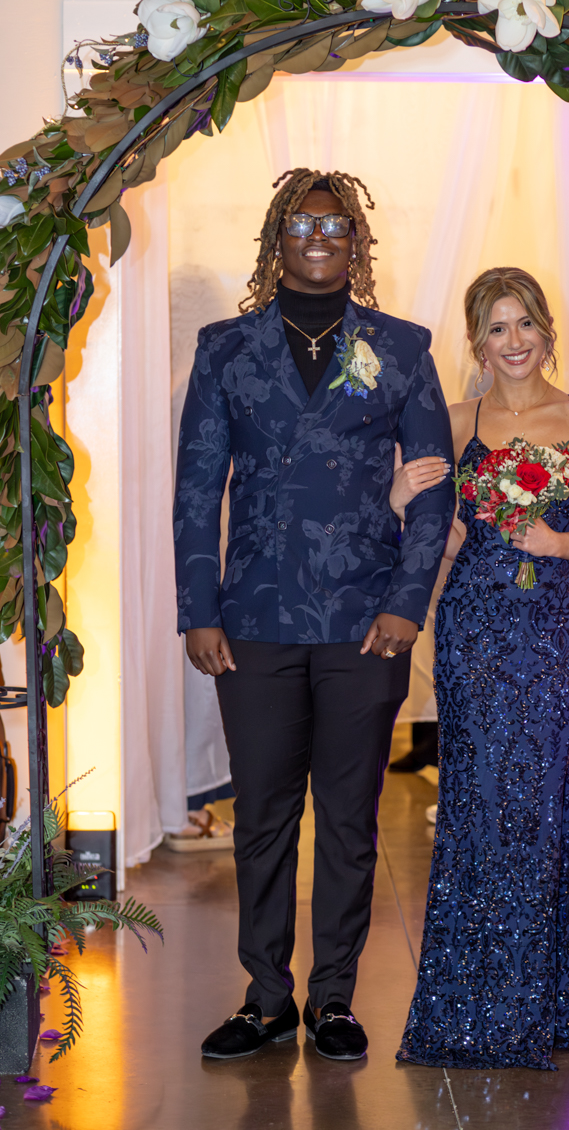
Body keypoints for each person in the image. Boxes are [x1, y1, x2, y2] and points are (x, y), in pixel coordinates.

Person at [172, 168, 454, 1062]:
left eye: (336, 224)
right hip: (251, 618)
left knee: (347, 816)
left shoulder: (402, 348)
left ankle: (333, 997)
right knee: (260, 815)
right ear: (277, 239)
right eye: (303, 223)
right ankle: (265, 997)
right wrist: (197, 608)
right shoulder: (224, 349)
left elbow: (439, 494)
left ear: (356, 242)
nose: (320, 236)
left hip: (366, 622)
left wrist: (409, 605)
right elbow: (194, 491)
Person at [390, 266, 569, 1069]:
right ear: (476, 343)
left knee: (541, 804)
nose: (513, 341)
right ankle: (467, 1006)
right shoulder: (458, 421)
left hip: (555, 633)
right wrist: (399, 504)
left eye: (524, 323)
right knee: (476, 803)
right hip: (474, 634)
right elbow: (443, 537)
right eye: (497, 328)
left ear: (546, 330)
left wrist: (556, 542)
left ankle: (541, 1001)